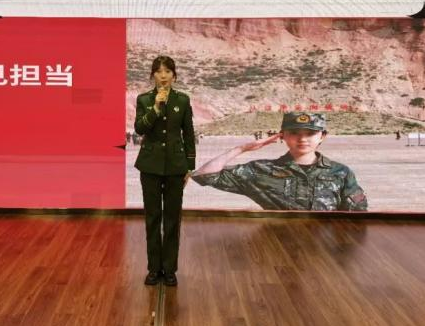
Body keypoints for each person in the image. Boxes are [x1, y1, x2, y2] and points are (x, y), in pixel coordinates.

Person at [191, 112, 367, 211]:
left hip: (326, 248)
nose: (302, 139)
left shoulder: (340, 172)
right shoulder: (261, 170)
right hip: (277, 243)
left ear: (322, 136)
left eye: (310, 133)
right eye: (294, 133)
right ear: (282, 136)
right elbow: (204, 175)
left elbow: (358, 213)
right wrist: (242, 148)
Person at [134, 56, 195, 287]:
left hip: (175, 167)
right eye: (159, 71)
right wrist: (156, 108)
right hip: (150, 166)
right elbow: (140, 128)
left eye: (167, 71)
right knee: (152, 218)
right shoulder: (144, 99)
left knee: (172, 219)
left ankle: (169, 269)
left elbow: (188, 133)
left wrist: (190, 165)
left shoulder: (183, 100)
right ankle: (153, 268)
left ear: (174, 76)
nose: (163, 76)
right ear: (152, 75)